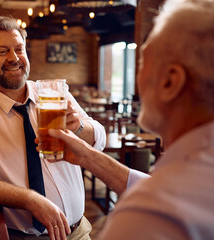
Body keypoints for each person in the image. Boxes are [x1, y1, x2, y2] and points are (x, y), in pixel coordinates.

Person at [46, 0, 214, 239]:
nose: (137, 77)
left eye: (143, 61)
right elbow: (158, 186)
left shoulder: (147, 216)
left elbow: (161, 195)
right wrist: (88, 156)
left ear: (170, 81)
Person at [0, 16, 106, 240]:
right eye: (2, 51)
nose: (14, 58)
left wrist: (79, 127)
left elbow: (99, 138)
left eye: (19, 49)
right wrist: (30, 199)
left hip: (78, 232)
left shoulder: (55, 95)